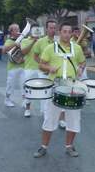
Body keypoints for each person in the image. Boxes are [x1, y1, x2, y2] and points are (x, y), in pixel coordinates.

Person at [33, 22, 86, 158]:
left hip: (72, 87)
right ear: (59, 32)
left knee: (73, 119)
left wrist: (81, 68)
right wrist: (49, 68)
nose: (67, 34)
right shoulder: (51, 48)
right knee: (50, 118)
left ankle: (69, 146)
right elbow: (41, 65)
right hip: (55, 86)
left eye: (69, 31)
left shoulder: (77, 48)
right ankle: (43, 147)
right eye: (64, 31)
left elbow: (82, 62)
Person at [2, 24, 25, 107]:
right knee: (10, 85)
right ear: (11, 32)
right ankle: (7, 100)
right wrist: (15, 44)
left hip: (23, 66)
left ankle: (25, 101)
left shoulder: (23, 40)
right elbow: (4, 50)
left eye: (18, 29)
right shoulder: (9, 41)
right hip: (12, 67)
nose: (18, 31)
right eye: (15, 30)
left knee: (24, 85)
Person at [20, 29, 40, 117]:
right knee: (29, 90)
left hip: (41, 69)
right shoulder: (24, 40)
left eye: (37, 31)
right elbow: (24, 52)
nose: (36, 32)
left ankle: (44, 110)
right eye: (34, 31)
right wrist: (33, 42)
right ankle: (28, 109)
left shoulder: (42, 41)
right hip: (29, 69)